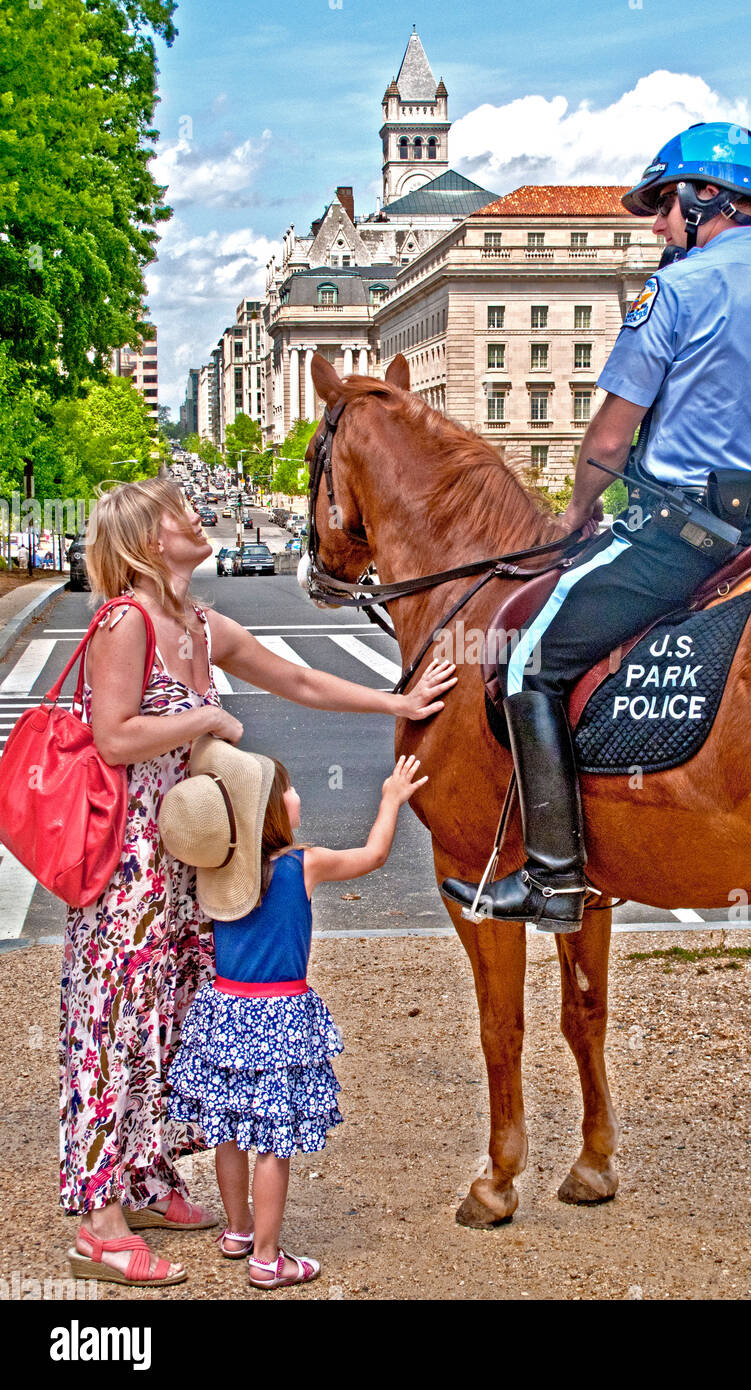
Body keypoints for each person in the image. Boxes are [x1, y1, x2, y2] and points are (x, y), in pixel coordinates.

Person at [442, 120, 751, 934]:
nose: (656, 224)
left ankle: (554, 877)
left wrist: (575, 516)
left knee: (523, 664)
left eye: (663, 205)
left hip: (673, 537)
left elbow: (608, 438)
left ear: (708, 201)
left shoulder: (676, 291)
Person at [61, 477, 454, 1287]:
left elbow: (300, 681)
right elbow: (112, 737)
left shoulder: (200, 625)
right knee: (113, 1026)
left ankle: (142, 1177)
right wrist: (205, 718)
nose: (194, 517)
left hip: (190, 866)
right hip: (127, 869)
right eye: (178, 513)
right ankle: (98, 1221)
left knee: (169, 1024)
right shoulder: (125, 622)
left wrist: (398, 700)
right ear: (144, 541)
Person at [156, 740, 426, 1289]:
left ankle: (237, 1231)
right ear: (273, 810)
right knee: (274, 1144)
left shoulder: (218, 869)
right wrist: (392, 798)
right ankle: (267, 1257)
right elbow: (373, 856)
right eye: (291, 789)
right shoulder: (304, 864)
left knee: (226, 1131)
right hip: (280, 1016)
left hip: (223, 1011)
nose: (299, 795)